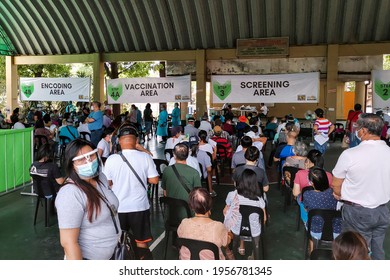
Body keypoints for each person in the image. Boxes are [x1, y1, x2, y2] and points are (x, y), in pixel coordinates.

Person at [332, 113, 390, 260]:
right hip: (382, 211)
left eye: (358, 128)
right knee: (378, 250)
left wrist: (339, 193)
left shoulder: (350, 154)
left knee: (357, 252)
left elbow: (336, 183)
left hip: (357, 213)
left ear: (364, 131)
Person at [55, 139, 120, 260]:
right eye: (81, 159)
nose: (88, 161)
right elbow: (68, 243)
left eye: (91, 155)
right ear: (72, 165)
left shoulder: (101, 178)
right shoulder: (70, 193)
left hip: (113, 254)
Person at [104, 123, 159, 252]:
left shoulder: (111, 159)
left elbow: (108, 183)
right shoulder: (145, 157)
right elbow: (155, 180)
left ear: (119, 141)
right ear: (136, 140)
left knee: (119, 242)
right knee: (141, 242)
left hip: (118, 207)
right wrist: (142, 149)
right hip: (139, 207)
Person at [177, 187, 232, 260]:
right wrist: (230, 233)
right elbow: (226, 243)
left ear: (191, 207)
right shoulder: (218, 226)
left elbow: (180, 235)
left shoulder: (184, 223)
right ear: (210, 204)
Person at [225, 169, 266, 256]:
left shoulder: (232, 195)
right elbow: (264, 218)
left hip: (236, 230)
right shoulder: (259, 199)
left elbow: (225, 211)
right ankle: (254, 256)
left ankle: (238, 247)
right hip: (255, 231)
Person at [301, 167, 341, 252]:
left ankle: (312, 247)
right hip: (336, 231)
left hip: (316, 232)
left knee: (305, 213)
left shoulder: (307, 194)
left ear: (312, 183)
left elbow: (305, 208)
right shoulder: (335, 193)